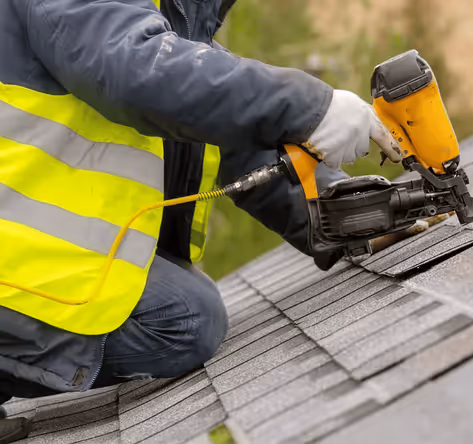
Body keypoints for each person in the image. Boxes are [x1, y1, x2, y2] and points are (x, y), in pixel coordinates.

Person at [0, 0, 400, 441]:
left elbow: (231, 131)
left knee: (189, 313)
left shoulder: (172, 15)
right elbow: (138, 71)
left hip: (28, 255)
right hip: (13, 263)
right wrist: (309, 106)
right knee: (184, 321)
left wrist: (350, 213)